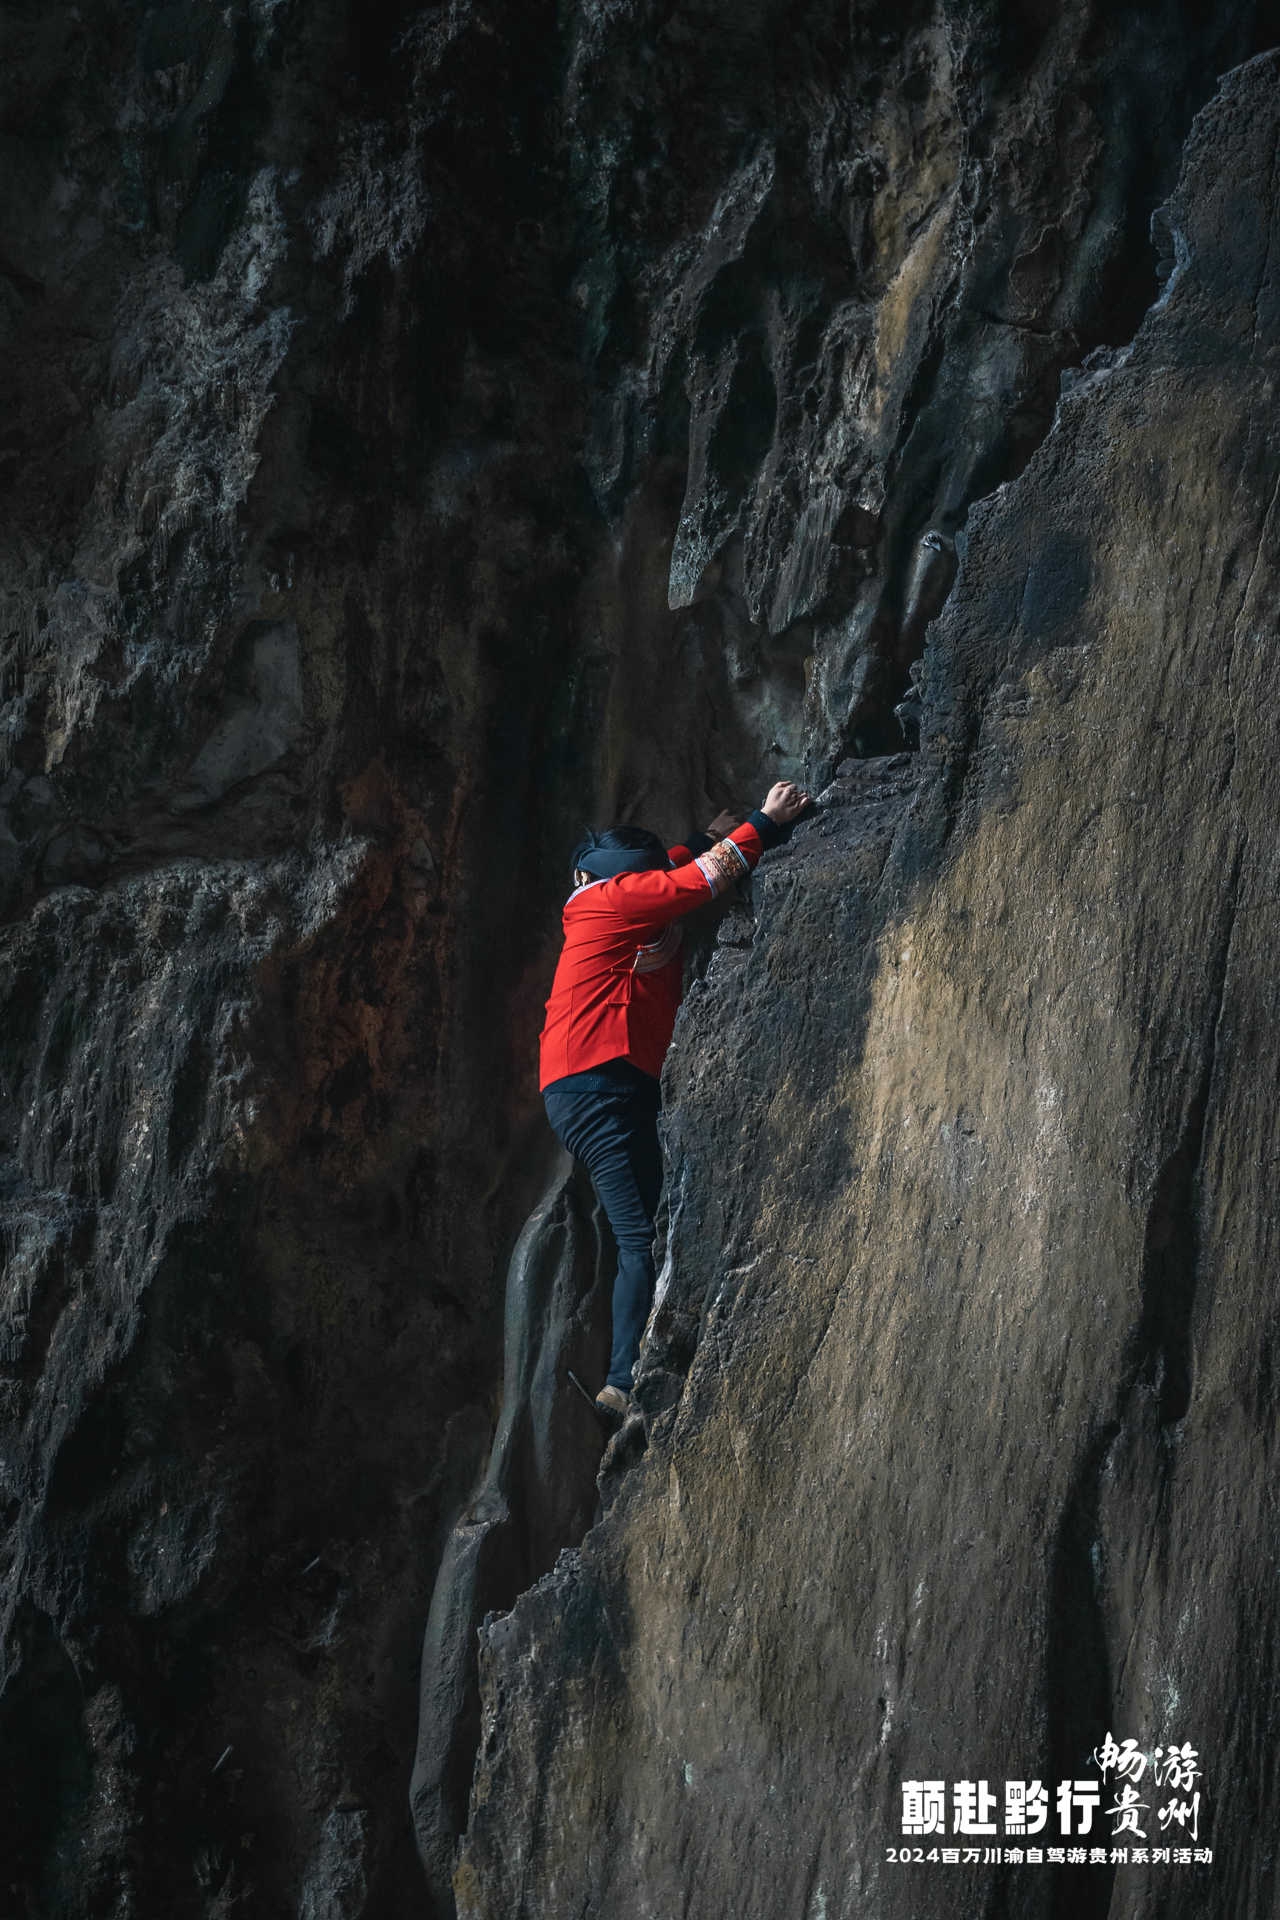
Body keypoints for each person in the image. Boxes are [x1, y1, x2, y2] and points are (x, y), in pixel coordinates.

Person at [539, 780, 812, 1427]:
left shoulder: (607, 904)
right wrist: (763, 824)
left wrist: (705, 837)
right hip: (597, 1085)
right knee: (640, 1233)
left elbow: (671, 875)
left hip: (599, 1082)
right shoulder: (608, 902)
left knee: (647, 1216)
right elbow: (690, 885)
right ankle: (623, 1380)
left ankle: (630, 1368)